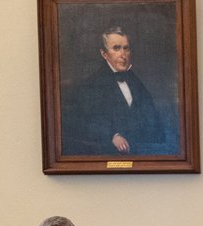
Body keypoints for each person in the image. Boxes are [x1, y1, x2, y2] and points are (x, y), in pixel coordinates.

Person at [63, 26, 174, 156]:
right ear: (104, 54)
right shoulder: (92, 84)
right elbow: (85, 122)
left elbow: (153, 121)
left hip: (141, 151)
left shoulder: (136, 82)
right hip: (107, 153)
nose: (123, 54)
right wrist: (113, 135)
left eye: (126, 48)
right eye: (116, 48)